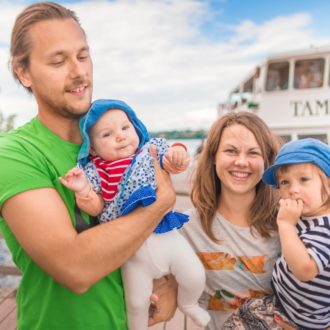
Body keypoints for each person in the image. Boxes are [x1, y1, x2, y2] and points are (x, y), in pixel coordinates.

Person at [0, 2, 177, 329]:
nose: (78, 71)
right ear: (23, 72)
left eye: (83, 56)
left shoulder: (116, 142)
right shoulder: (13, 153)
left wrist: (168, 282)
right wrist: (160, 204)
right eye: (58, 60)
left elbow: (149, 237)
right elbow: (74, 267)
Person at [59, 99, 210, 329]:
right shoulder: (95, 170)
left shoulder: (148, 152)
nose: (120, 136)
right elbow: (96, 207)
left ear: (136, 128)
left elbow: (171, 157)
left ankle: (189, 304)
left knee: (195, 274)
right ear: (92, 147)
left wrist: (178, 155)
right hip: (131, 248)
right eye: (107, 135)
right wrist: (82, 190)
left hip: (163, 233)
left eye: (125, 128)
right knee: (136, 303)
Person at [179, 111, 282, 329]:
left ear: (267, 162)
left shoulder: (286, 224)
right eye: (231, 151)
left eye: (253, 153)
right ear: (214, 157)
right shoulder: (186, 227)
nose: (241, 162)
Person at [223, 138, 330, 330]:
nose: (293, 190)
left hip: (298, 319)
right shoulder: (306, 216)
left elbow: (305, 270)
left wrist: (285, 225)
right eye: (285, 182)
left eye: (304, 180)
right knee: (241, 315)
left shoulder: (325, 227)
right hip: (285, 302)